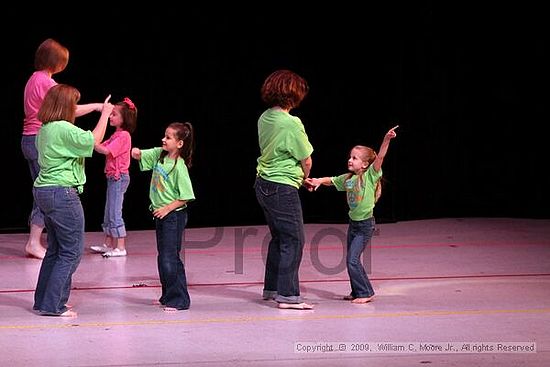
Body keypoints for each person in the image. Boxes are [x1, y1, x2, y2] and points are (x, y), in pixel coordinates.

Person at [33, 84, 113, 317]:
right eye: (73, 105)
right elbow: (95, 138)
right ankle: (52, 305)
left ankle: (44, 301)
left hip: (44, 191)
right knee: (71, 251)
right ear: (65, 107)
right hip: (62, 193)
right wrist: (105, 113)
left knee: (56, 250)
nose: (75, 109)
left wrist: (98, 106)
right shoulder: (63, 129)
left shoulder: (45, 129)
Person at [22, 38, 103, 259]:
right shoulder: (47, 83)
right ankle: (34, 242)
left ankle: (41, 238)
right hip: (41, 139)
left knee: (42, 188)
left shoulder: (33, 79)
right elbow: (70, 110)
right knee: (48, 185)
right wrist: (98, 107)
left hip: (30, 139)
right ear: (57, 62)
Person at [306, 125, 399, 304]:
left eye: (354, 158)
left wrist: (386, 139)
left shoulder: (370, 176)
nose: (350, 160)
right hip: (353, 224)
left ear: (364, 164)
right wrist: (318, 180)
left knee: (352, 260)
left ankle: (366, 292)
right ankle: (357, 290)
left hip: (365, 225)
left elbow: (380, 157)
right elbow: (331, 181)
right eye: (350, 157)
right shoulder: (348, 178)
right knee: (351, 260)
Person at [254, 69, 314, 310]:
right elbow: (306, 159)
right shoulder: (291, 123)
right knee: (294, 239)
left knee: (279, 238)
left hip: (263, 183)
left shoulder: (264, 117)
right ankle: (288, 295)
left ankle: (272, 288)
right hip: (282, 187)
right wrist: (303, 178)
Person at [131, 122, 195, 312]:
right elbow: (143, 154)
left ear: (180, 144)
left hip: (172, 216)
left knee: (170, 258)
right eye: (164, 136)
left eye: (168, 137)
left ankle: (180, 300)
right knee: (163, 258)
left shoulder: (179, 167)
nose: (163, 140)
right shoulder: (160, 155)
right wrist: (136, 152)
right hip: (161, 215)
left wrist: (167, 209)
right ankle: (168, 295)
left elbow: (185, 197)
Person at [90, 97, 138, 258]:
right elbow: (103, 145)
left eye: (114, 114)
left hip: (119, 178)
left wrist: (90, 141)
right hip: (112, 178)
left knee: (115, 211)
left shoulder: (124, 136)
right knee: (108, 211)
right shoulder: (116, 134)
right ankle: (109, 244)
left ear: (125, 118)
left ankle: (121, 247)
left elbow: (105, 150)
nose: (110, 117)